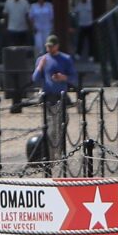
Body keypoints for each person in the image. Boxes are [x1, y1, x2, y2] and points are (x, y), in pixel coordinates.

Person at [31, 34, 77, 167]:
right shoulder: (42, 59)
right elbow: (35, 78)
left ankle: (59, 154)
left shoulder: (66, 59)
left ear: (57, 46)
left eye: (52, 46)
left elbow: (74, 78)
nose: (49, 48)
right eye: (48, 46)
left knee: (61, 126)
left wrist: (63, 78)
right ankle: (51, 157)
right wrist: (40, 67)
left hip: (60, 97)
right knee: (50, 128)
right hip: (47, 98)